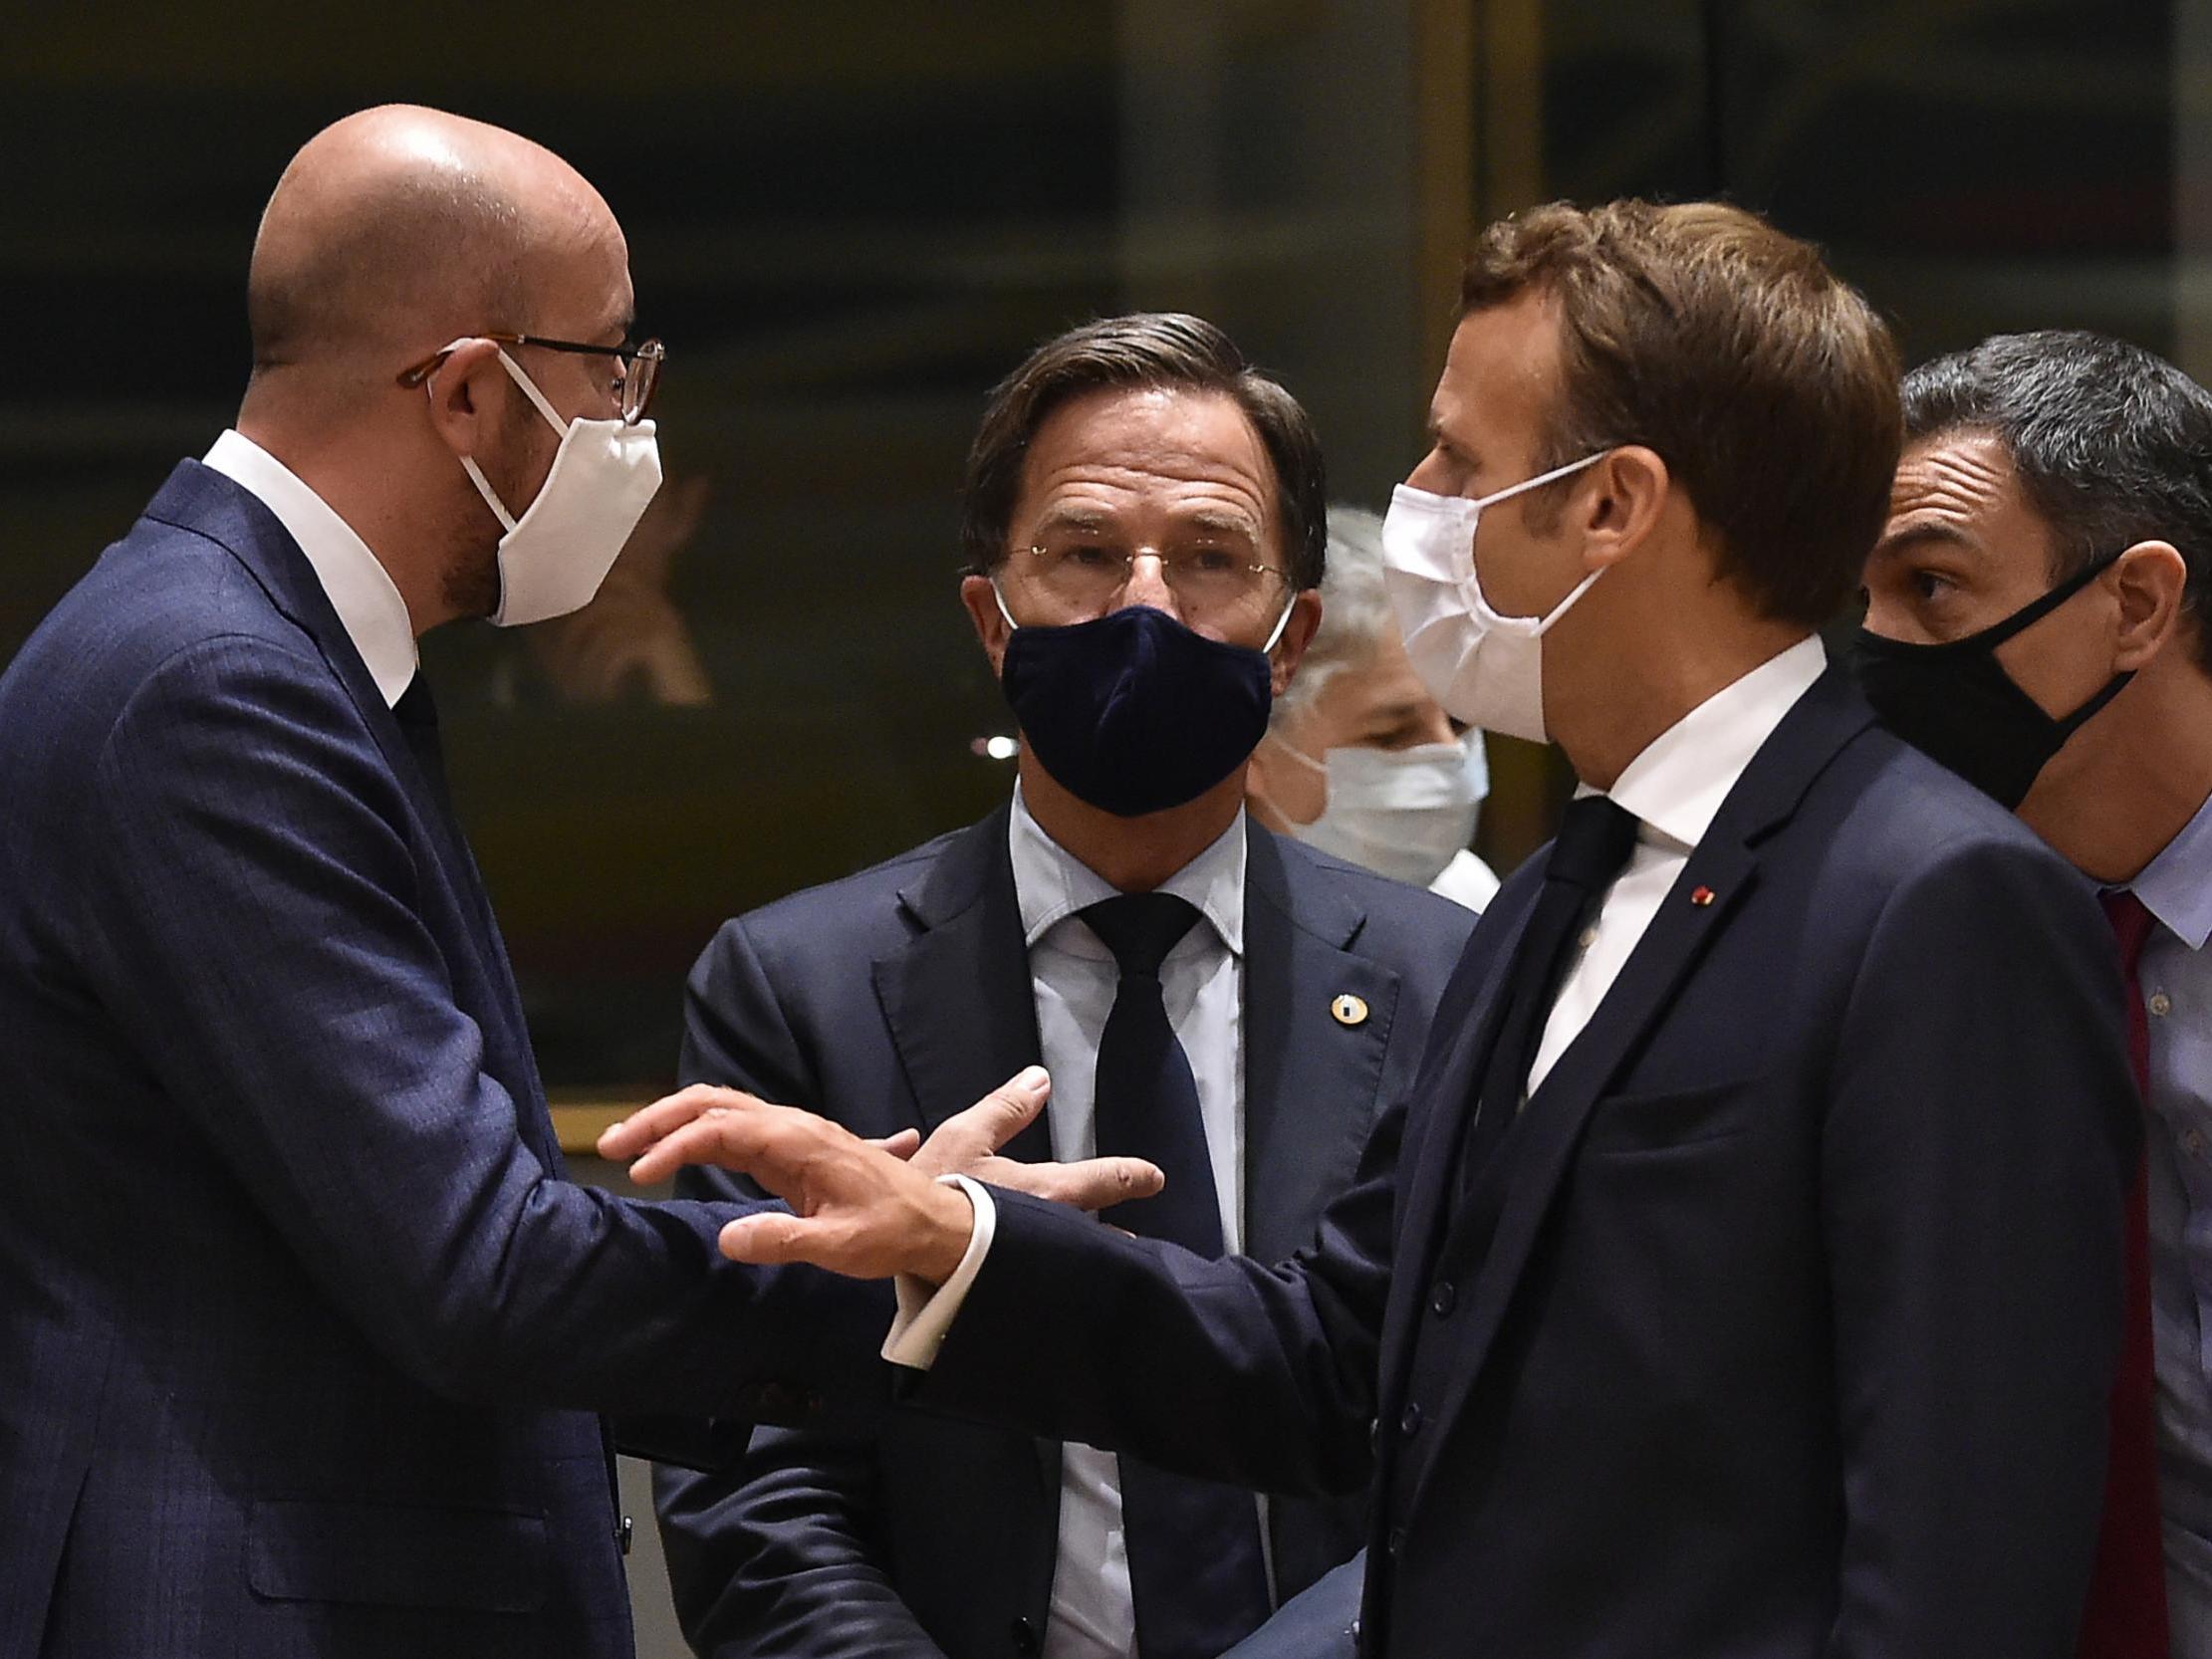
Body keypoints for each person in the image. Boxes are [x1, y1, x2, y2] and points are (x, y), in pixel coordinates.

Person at [604, 200, 2143, 1658]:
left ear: (1609, 507)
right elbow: (1347, 1359)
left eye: (1463, 467)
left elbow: (1958, 1550)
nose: (1421, 516)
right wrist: (965, 1246)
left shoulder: (1932, 896)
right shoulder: (1554, 893)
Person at [0, 106, 1142, 1659]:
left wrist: (873, 1220)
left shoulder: (274, 652)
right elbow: (474, 1261)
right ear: (471, 389)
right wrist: (890, 1262)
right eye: (613, 366)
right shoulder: (214, 683)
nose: (634, 420)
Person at [651, 314, 1477, 1659]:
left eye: (1212, 558)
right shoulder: (796, 986)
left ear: (1288, 635)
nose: (1146, 603)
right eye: (1087, 553)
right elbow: (759, 1490)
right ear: (991, 615)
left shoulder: (1447, 984)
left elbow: (1473, 1454)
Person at [1855, 329, 2212, 1657]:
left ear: (2135, 605)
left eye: (1932, 589)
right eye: (1867, 604)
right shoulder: (1930, 935)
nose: (1882, 654)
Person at [1244, 504, 1500, 912]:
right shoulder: (1197, 934)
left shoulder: (1467, 895)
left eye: (1460, 720)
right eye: (1391, 734)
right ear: (1251, 749)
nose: (1450, 753)